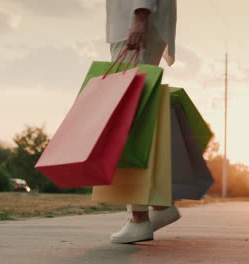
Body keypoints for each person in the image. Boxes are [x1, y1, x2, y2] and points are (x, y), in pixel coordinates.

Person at [106, 0, 180, 244]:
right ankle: (159, 206)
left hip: (137, 21)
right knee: (139, 116)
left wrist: (140, 14)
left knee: (128, 122)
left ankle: (139, 218)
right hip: (140, 20)